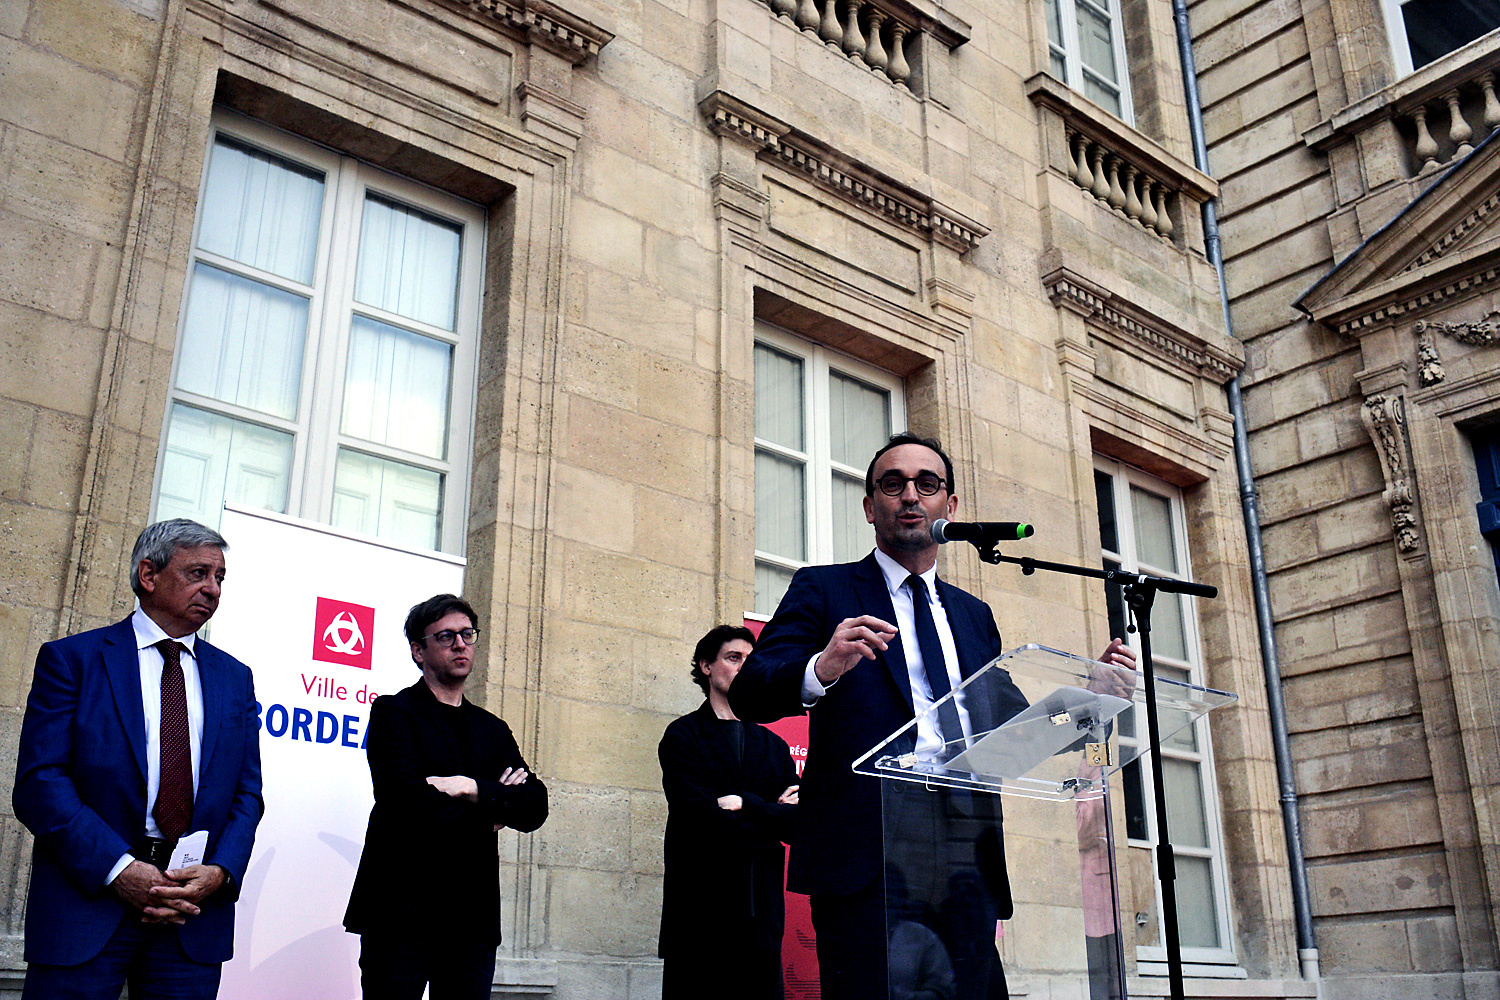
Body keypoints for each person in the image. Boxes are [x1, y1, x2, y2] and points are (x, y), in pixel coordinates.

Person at [729, 433, 1136, 1000]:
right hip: (869, 846)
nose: (910, 496)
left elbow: (1015, 733)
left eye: (927, 484)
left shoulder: (973, 615)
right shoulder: (823, 588)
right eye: (892, 484)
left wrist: (1090, 704)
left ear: (951, 505)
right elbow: (749, 692)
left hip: (966, 844)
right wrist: (821, 667)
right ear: (870, 506)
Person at [14, 518, 264, 999]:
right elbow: (40, 784)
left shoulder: (235, 678)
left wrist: (220, 871)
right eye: (198, 574)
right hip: (88, 903)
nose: (212, 589)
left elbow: (246, 794)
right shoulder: (73, 660)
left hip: (191, 916)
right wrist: (118, 869)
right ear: (149, 575)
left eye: (219, 578)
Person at [343, 593, 548, 1000]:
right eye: (446, 636)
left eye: (467, 635)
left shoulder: (492, 729)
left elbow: (535, 805)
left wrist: (469, 787)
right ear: (418, 651)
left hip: (471, 918)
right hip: (400, 912)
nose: (460, 644)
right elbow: (404, 801)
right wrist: (493, 807)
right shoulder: (394, 713)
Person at [657, 625, 799, 1000]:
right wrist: (770, 813)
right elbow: (701, 819)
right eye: (733, 658)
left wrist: (744, 804)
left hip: (761, 919)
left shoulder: (773, 745)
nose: (742, 667)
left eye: (750, 661)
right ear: (706, 666)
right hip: (700, 917)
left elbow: (798, 824)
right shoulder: (682, 735)